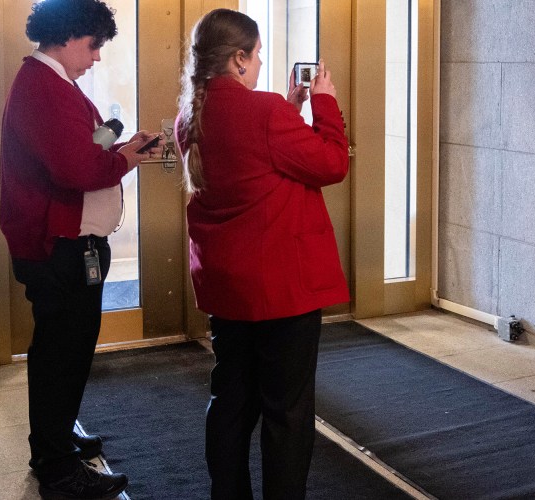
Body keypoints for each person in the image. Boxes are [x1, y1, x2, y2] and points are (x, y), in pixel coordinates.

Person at [174, 8, 350, 500]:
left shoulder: (191, 115)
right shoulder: (265, 111)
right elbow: (332, 163)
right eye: (255, 55)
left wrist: (289, 110)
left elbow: (253, 163)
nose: (258, 63)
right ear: (237, 59)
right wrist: (325, 106)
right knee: (287, 412)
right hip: (281, 290)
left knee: (230, 401)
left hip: (228, 288)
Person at [0, 0, 161, 498]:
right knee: (60, 353)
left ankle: (59, 433)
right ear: (68, 35)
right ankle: (57, 466)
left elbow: (87, 149)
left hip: (73, 243)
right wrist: (127, 159)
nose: (95, 58)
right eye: (93, 46)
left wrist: (119, 148)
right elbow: (76, 170)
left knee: (68, 348)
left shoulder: (56, 86)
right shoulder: (43, 88)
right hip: (58, 246)